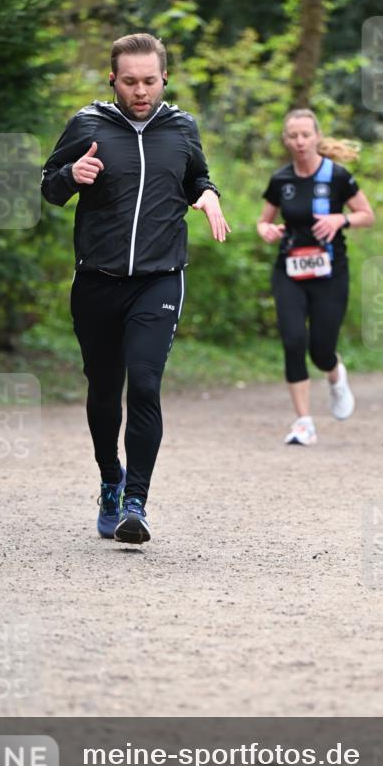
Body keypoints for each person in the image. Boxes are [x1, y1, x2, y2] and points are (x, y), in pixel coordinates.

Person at [41, 32, 229, 542]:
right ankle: (111, 478)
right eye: (129, 81)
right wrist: (72, 174)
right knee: (104, 392)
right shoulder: (88, 123)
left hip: (159, 278)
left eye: (149, 81)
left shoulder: (182, 127)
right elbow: (49, 186)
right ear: (113, 80)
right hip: (97, 281)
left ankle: (136, 503)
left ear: (164, 78)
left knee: (144, 383)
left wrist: (208, 194)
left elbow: (197, 177)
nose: (140, 91)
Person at [258, 109, 374, 446]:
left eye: (305, 135)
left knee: (321, 350)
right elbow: (264, 220)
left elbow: (367, 215)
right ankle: (303, 422)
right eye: (293, 136)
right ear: (286, 140)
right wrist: (267, 230)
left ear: (317, 137)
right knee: (294, 341)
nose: (299, 141)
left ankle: (336, 376)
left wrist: (341, 220)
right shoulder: (281, 180)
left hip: (330, 273)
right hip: (290, 270)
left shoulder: (337, 176)